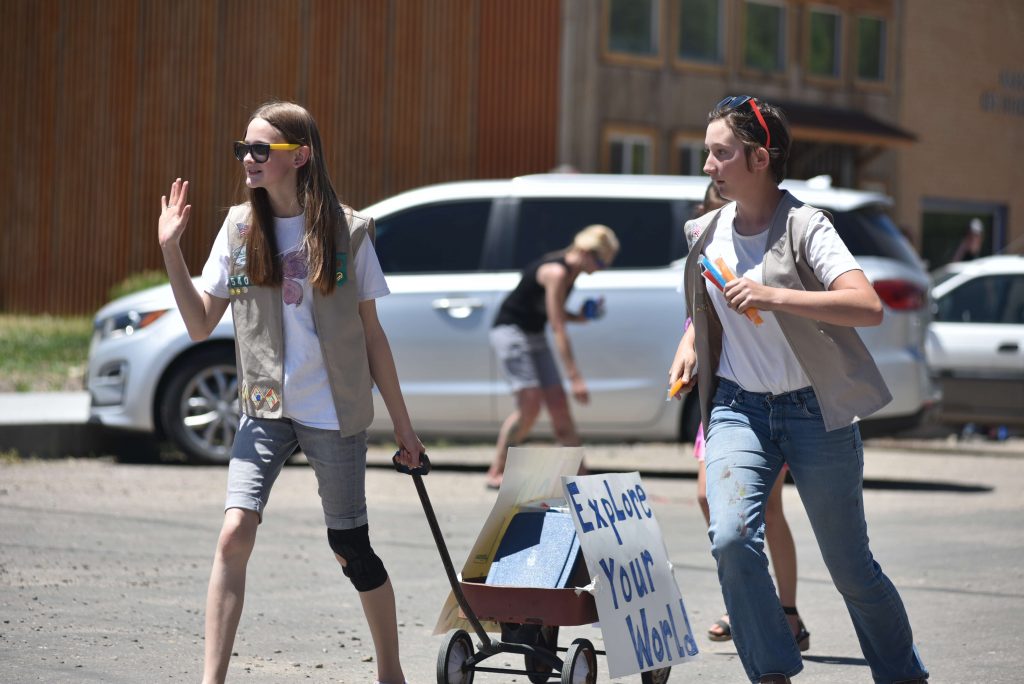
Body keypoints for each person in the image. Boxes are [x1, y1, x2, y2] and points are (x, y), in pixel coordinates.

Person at [157, 101, 422, 684]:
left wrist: (405, 430)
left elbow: (374, 338)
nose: (248, 161)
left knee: (351, 549)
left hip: (333, 411)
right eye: (243, 150)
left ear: (299, 156)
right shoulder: (238, 228)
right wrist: (171, 249)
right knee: (234, 534)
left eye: (261, 150)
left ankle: (391, 673)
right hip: (265, 411)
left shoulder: (347, 232)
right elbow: (201, 324)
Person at [668, 95, 928, 684]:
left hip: (816, 411)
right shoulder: (705, 231)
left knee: (852, 570)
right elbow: (703, 307)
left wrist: (774, 296)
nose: (708, 166)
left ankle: (903, 675)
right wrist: (689, 345)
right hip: (738, 406)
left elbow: (867, 307)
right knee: (731, 537)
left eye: (719, 154)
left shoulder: (806, 225)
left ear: (759, 158)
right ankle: (773, 673)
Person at [679, 181, 807, 651]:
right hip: (724, 399)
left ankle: (787, 612)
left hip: (767, 399)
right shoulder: (705, 249)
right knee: (710, 500)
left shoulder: (762, 247)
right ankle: (747, 600)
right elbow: (698, 316)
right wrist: (688, 345)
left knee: (767, 510)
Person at [484, 225, 620, 489]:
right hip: (511, 332)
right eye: (600, 261)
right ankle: (496, 469)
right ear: (584, 251)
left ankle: (581, 473)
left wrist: (578, 316)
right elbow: (557, 326)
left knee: (558, 403)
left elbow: (552, 311)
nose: (601, 268)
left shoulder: (572, 273)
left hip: (534, 333)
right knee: (530, 403)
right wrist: (575, 376)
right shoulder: (556, 272)